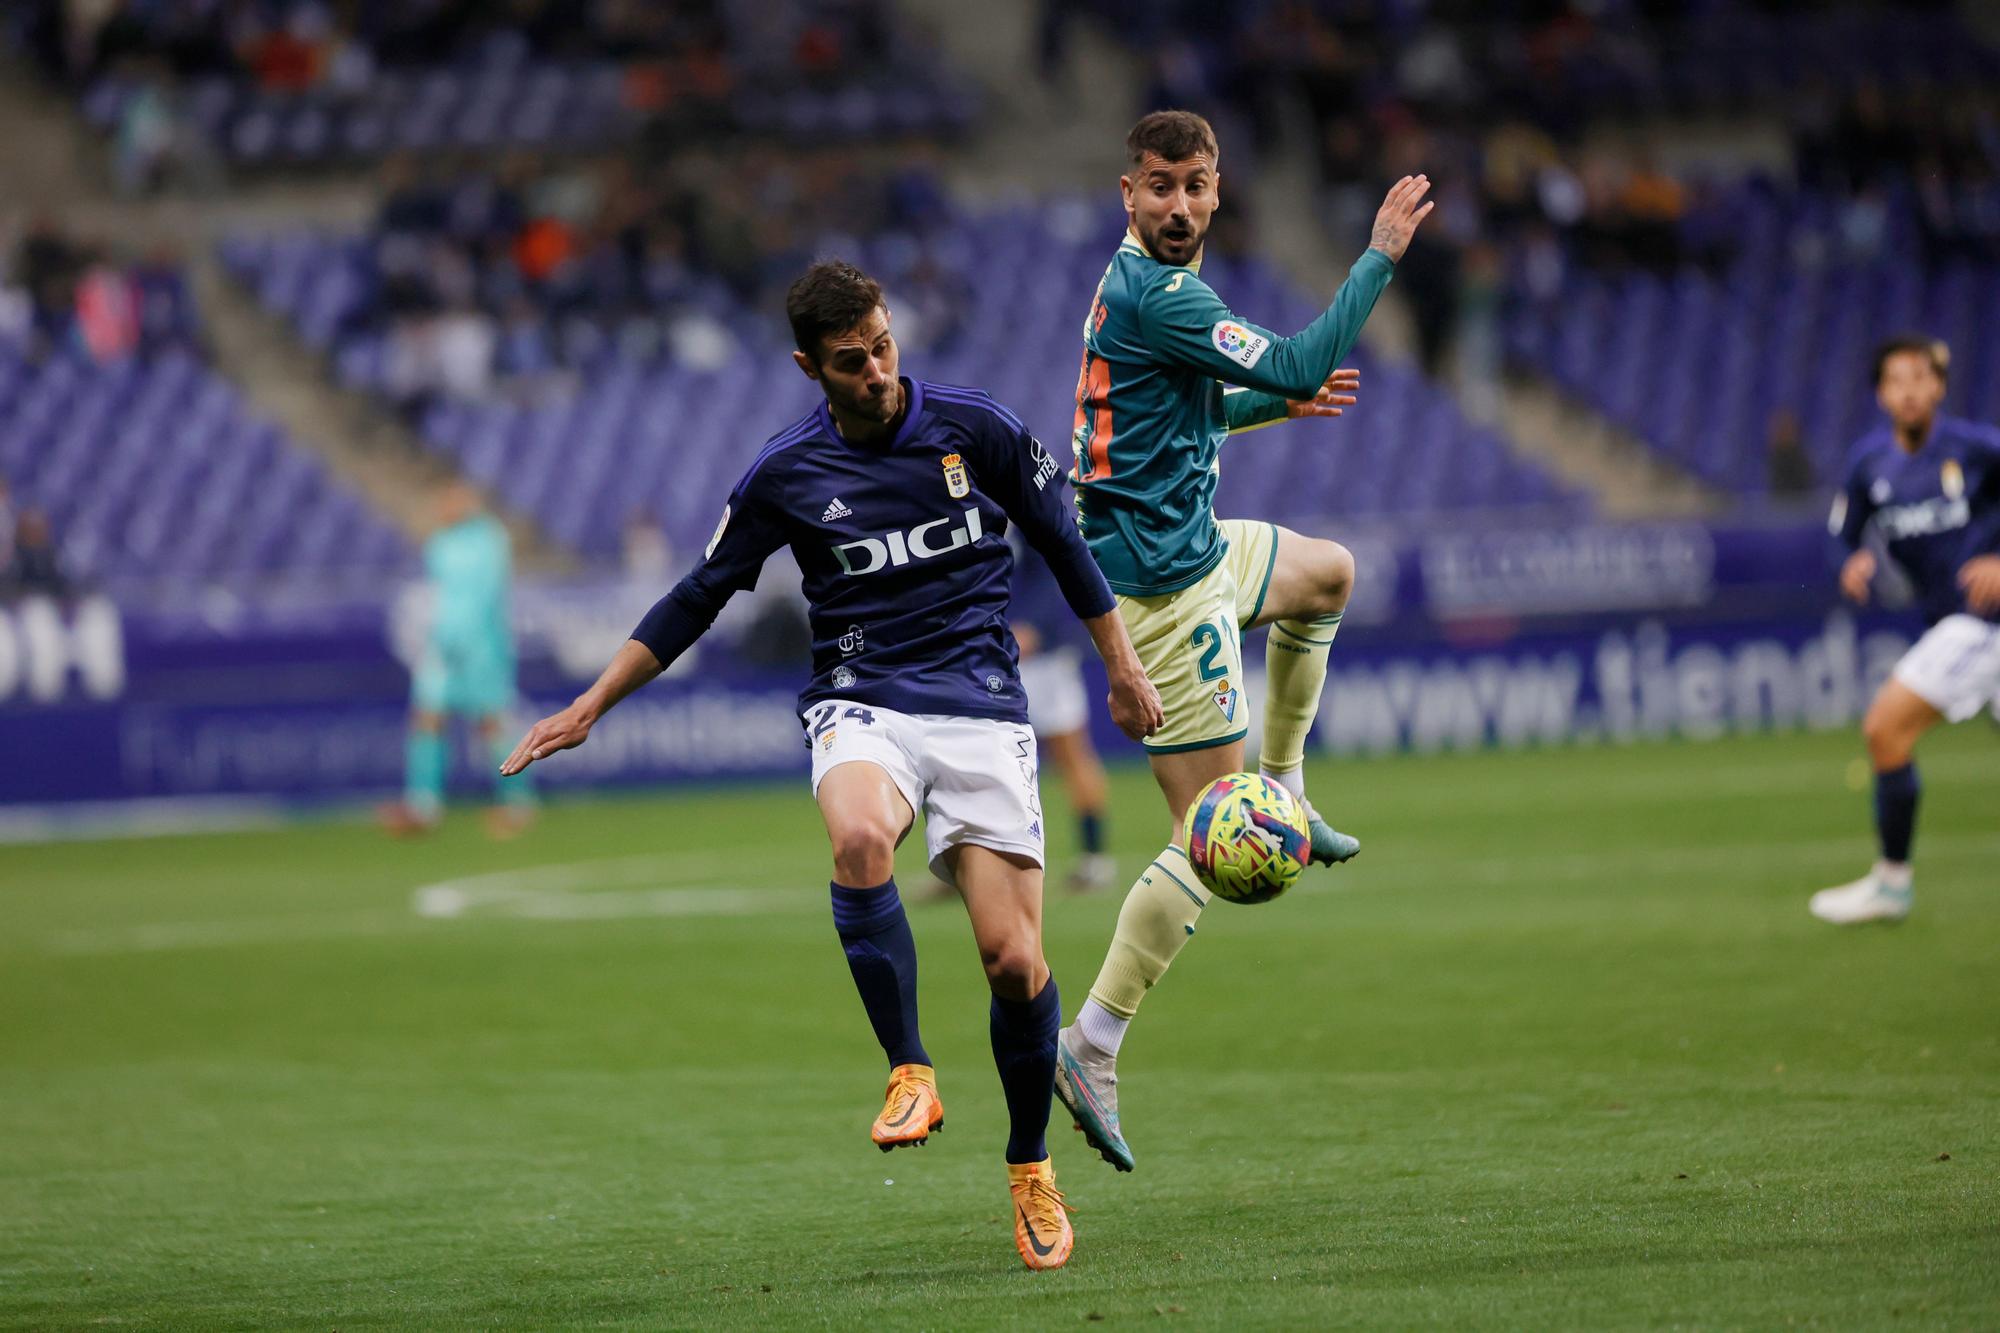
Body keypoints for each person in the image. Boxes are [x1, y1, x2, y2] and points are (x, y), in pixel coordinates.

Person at [499, 261, 1163, 1271]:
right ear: (810, 366)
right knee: (858, 837)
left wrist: (1119, 669)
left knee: (1014, 964)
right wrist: (593, 700)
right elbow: (698, 592)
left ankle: (1028, 1163)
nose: (877, 373)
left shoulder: (974, 427)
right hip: (864, 700)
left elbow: (1065, 542)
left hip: (981, 706)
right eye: (851, 362)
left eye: (884, 347)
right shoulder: (784, 474)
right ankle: (908, 1066)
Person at [1054, 110, 1432, 1172]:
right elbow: (1303, 347)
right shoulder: (1158, 292)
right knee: (1212, 843)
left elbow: (1164, 419)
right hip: (1164, 596)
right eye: (1158, 186)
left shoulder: (1140, 298)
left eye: (1195, 185)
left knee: (1328, 572)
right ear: (1126, 194)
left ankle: (1290, 785)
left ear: (1218, 191)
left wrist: (1275, 407)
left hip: (1195, 545)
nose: (1178, 205)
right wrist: (1379, 256)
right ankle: (1092, 1041)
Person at [1811, 336, 2000, 924]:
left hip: (1984, 624)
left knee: (1885, 727)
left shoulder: (1977, 449)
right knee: (1887, 734)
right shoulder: (1870, 464)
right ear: (1880, 393)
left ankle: (1892, 885)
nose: (1910, 390)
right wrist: (1850, 560)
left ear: (1939, 387)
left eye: (1920, 378)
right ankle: (1892, 885)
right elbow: (1840, 531)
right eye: (1897, 380)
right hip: (1955, 624)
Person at [380, 481, 535, 838]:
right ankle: (423, 806)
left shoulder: (490, 539)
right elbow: (444, 597)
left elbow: (487, 593)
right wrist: (442, 638)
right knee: (427, 717)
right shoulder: (439, 544)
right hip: (443, 645)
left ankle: (517, 803)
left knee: (491, 722)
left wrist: (470, 637)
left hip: (483, 646)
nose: (444, 508)